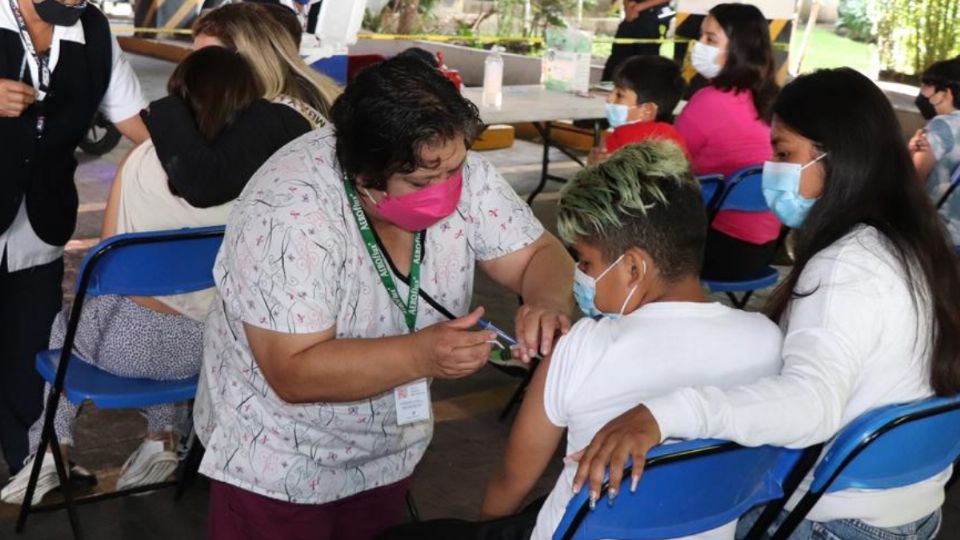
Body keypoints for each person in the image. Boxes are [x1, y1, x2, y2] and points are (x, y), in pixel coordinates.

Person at [192, 56, 575, 540]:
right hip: (282, 459)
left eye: (454, 170)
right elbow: (292, 372)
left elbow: (539, 253)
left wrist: (546, 301)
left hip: (389, 445)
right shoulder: (290, 212)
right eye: (419, 183)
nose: (445, 192)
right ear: (363, 176)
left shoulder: (446, 161)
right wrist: (421, 354)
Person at [572, 68, 960, 540]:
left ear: (839, 158)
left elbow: (811, 403)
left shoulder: (847, 265)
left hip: (833, 523)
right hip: (912, 511)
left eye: (783, 153)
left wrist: (663, 413)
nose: (771, 167)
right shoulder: (915, 241)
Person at [378, 142, 783, 540]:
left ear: (633, 267)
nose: (579, 275)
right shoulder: (766, 339)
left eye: (585, 261)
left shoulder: (581, 348)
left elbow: (511, 482)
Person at [0, 46, 270, 505]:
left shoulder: (143, 161)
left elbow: (102, 269)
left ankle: (51, 448)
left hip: (123, 346)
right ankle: (161, 440)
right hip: (207, 354)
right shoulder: (258, 174)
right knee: (179, 321)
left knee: (64, 330)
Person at [0, 0, 147, 478]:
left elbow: (137, 126)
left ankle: (33, 463)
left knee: (32, 346)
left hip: (39, 221)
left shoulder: (93, 33)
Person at [144, 2, 340, 209]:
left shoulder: (273, 117)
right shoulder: (307, 97)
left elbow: (203, 184)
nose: (196, 72)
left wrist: (168, 106)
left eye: (207, 61)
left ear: (247, 58)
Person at [674, 3, 780, 281]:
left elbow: (666, 162)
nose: (700, 45)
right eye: (701, 36)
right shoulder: (772, 102)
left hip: (713, 250)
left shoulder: (709, 101)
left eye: (711, 39)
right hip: (763, 250)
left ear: (739, 49)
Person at [590, 55, 687, 165]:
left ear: (647, 110)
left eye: (619, 95)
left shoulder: (619, 139)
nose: (609, 98)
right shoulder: (675, 138)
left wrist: (593, 166)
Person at [909, 57, 960, 243]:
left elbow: (913, 178)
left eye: (926, 85)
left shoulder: (941, 127)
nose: (922, 91)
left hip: (939, 233)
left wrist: (910, 152)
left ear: (945, 93)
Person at [601, 0, 670, 82]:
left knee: (646, 63)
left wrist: (639, 7)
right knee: (617, 61)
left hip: (653, 17)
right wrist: (628, 8)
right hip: (631, 17)